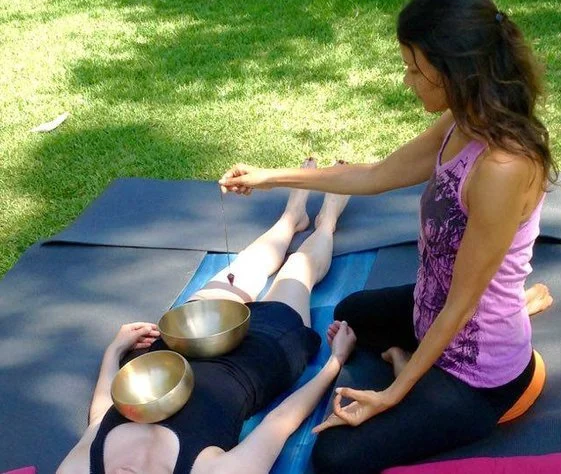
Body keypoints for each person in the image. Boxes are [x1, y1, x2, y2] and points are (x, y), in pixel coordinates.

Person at [219, 0, 557, 471]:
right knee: (352, 314)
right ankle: (424, 352)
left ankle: (431, 362)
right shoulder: (462, 121)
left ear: (455, 71)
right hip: (432, 313)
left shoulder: (503, 167)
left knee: (334, 458)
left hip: (478, 370)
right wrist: (269, 177)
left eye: (416, 69)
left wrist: (394, 393)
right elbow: (375, 175)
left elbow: (462, 305)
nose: (407, 80)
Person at [57, 159, 358, 474]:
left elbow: (100, 417)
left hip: (183, 340)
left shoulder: (79, 469)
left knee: (243, 269)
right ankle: (327, 222)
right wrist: (335, 362)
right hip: (258, 357)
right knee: (298, 270)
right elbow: (280, 422)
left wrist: (115, 349)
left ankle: (291, 218)